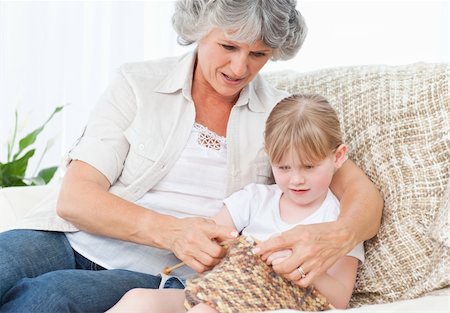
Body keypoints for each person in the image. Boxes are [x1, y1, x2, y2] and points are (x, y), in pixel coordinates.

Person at [0, 1, 383, 312]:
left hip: (161, 272)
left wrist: (336, 237)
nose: (239, 68)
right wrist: (173, 230)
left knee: (45, 298)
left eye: (259, 54)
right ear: (199, 29)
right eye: (228, 46)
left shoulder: (280, 116)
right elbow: (75, 198)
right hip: (67, 238)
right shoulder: (138, 84)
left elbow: (361, 194)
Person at [106, 94, 365, 313]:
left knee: (204, 311)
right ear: (268, 156)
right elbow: (212, 238)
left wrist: (304, 268)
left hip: (279, 305)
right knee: (138, 301)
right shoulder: (254, 199)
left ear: (338, 156)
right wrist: (225, 247)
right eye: (283, 167)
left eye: (309, 167)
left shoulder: (339, 222)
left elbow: (340, 298)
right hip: (219, 293)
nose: (296, 179)